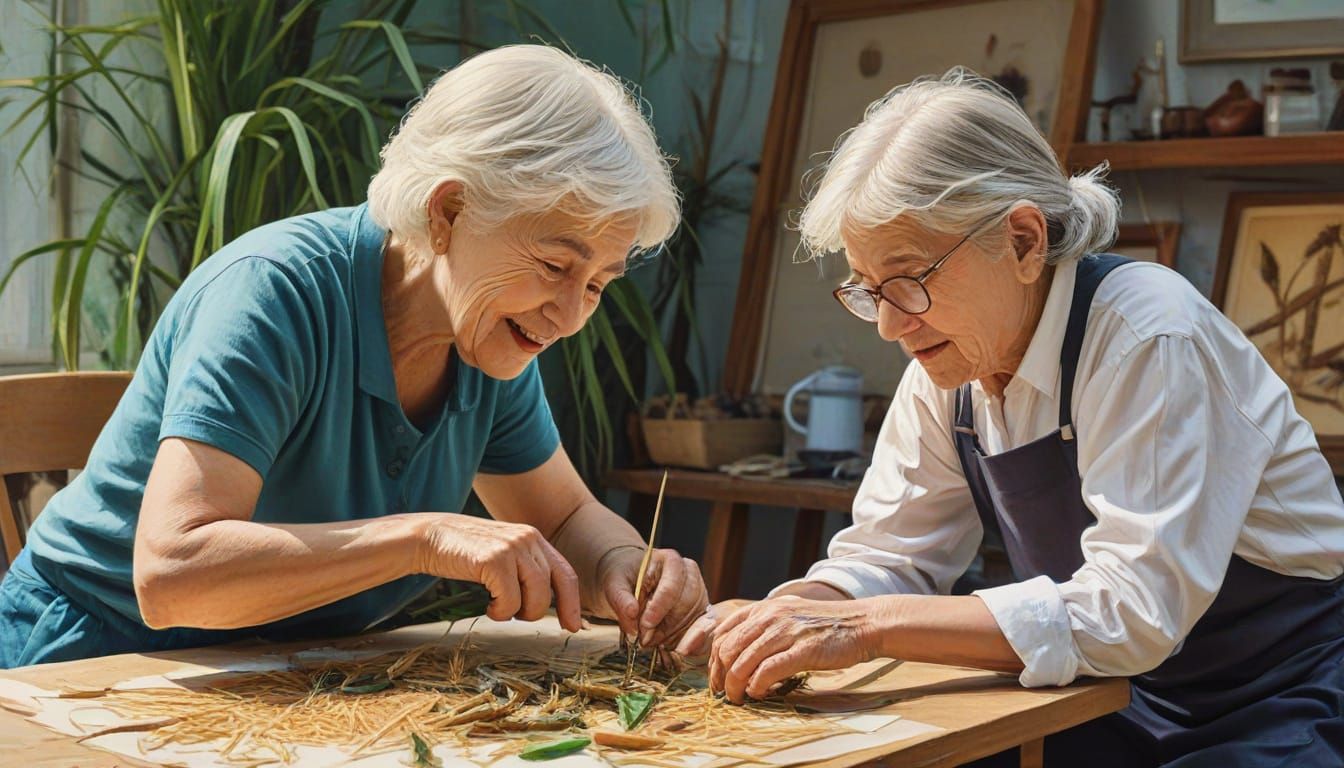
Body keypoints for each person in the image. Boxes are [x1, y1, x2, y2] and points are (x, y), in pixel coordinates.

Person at [678, 70, 1344, 766]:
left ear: (1024, 241)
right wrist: (782, 618)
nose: (887, 324)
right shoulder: (950, 366)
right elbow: (891, 556)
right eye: (869, 289)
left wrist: (862, 625)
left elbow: (1131, 612)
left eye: (908, 278)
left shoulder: (1148, 335)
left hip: (1278, 699)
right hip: (1110, 700)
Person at [0, 45, 707, 668]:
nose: (571, 314)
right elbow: (171, 576)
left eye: (597, 285)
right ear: (449, 212)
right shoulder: (275, 293)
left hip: (286, 670)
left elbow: (563, 521)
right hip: (95, 661)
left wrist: (625, 564)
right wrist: (424, 538)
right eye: (556, 266)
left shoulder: (493, 335)